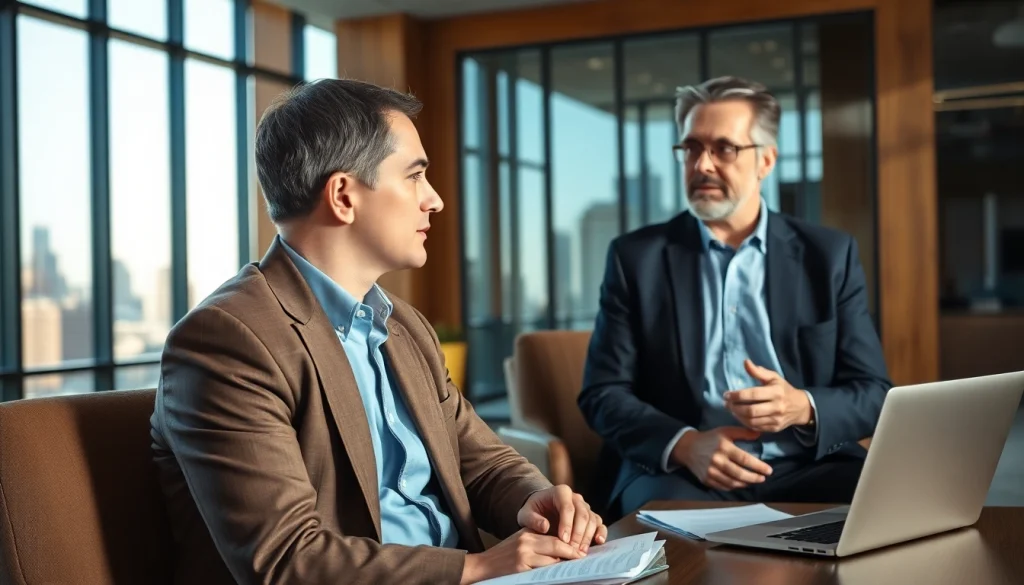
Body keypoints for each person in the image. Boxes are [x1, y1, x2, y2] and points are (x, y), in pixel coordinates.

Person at [150, 79, 606, 585]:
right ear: (344, 196)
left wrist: (532, 498)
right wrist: (478, 567)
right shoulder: (229, 340)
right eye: (415, 177)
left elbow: (480, 461)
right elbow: (286, 560)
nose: (434, 200)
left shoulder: (404, 325)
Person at [577, 76, 892, 517]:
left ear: (766, 160)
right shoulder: (636, 258)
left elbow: (874, 392)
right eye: (691, 148)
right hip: (683, 473)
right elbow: (603, 393)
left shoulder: (828, 256)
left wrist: (801, 406)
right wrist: (685, 444)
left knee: (893, 509)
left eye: (724, 148)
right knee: (665, 538)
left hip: (806, 465)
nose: (702, 164)